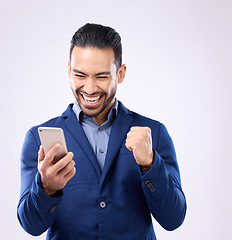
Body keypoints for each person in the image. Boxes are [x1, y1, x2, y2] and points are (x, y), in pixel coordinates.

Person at [17, 23, 186, 240]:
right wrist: (47, 188)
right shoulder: (38, 138)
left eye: (102, 77)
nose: (89, 88)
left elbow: (174, 219)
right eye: (80, 75)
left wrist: (150, 164)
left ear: (121, 73)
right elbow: (31, 226)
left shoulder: (154, 133)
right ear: (69, 70)